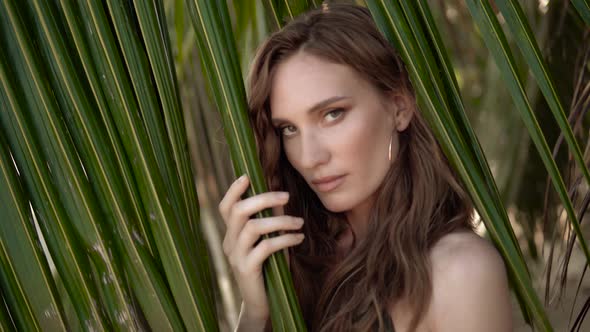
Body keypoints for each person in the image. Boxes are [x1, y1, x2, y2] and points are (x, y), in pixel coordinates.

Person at [218, 3, 513, 331]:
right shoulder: (295, 265)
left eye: (333, 114)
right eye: (289, 129)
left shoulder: (459, 273)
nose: (309, 157)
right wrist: (256, 313)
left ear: (399, 106)